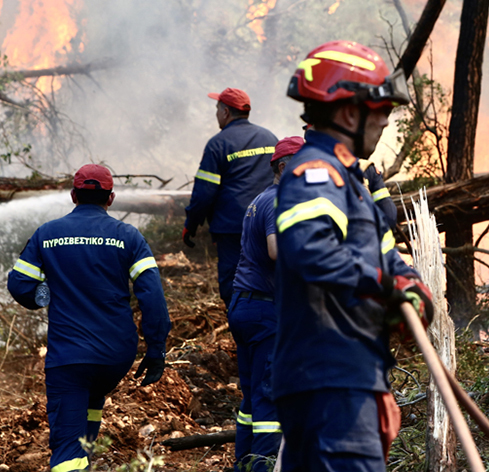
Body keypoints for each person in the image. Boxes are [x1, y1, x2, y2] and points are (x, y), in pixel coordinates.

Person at [274, 41, 434, 471]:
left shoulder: (352, 184)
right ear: (348, 112)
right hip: (332, 382)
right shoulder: (316, 175)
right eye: (378, 108)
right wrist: (385, 286)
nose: (385, 120)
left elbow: (385, 258)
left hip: (350, 377)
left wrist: (412, 285)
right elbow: (309, 250)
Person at [7, 164, 171, 472]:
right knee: (92, 400)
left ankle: (75, 462)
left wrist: (45, 296)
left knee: (67, 449)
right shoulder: (129, 236)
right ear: (110, 198)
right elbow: (152, 297)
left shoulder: (48, 234)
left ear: (73, 196)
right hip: (115, 357)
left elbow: (19, 285)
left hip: (70, 358)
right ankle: (86, 458)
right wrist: (156, 348)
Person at [227, 135, 304, 472]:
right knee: (269, 397)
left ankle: (243, 464)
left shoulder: (260, 199)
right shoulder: (279, 202)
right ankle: (261, 467)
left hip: (245, 307)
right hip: (263, 313)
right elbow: (276, 250)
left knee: (250, 398)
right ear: (283, 167)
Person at [182, 87, 278, 308]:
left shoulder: (218, 144)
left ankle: (244, 333)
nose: (216, 113)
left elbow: (204, 192)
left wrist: (192, 223)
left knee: (234, 285)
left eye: (217, 109)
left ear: (226, 112)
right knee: (271, 278)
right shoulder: (270, 137)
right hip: (268, 224)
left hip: (233, 228)